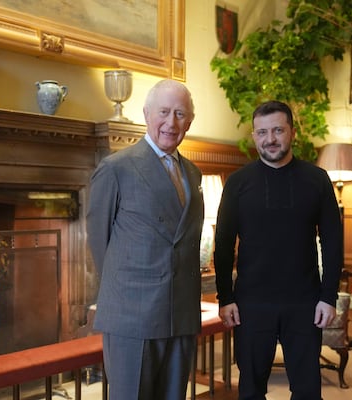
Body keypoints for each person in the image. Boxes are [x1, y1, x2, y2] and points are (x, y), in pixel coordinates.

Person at [214, 100, 343, 400]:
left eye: (277, 130)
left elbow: (333, 243)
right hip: (250, 304)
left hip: (305, 303)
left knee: (308, 391)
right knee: (250, 391)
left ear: (292, 133)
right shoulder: (237, 183)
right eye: (261, 132)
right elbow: (222, 244)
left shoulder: (317, 180)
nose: (269, 139)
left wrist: (328, 296)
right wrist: (226, 297)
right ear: (254, 136)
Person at [86, 79, 204, 400]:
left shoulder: (193, 173)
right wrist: (126, 291)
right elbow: (99, 241)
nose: (171, 122)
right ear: (147, 114)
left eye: (180, 114)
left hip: (180, 313)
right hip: (132, 315)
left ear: (189, 122)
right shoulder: (116, 168)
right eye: (163, 112)